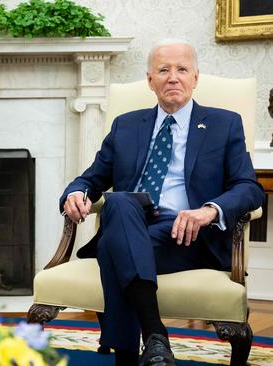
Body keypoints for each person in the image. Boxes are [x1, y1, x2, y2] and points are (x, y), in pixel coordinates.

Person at [60, 39, 264, 366]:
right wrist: (75, 193)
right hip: (134, 223)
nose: (173, 77)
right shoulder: (126, 125)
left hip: (188, 236)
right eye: (163, 70)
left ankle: (126, 355)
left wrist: (208, 211)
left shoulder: (224, 124)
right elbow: (91, 179)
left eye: (181, 69)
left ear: (195, 78)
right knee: (121, 203)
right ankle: (156, 338)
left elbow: (248, 187)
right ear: (150, 80)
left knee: (115, 241)